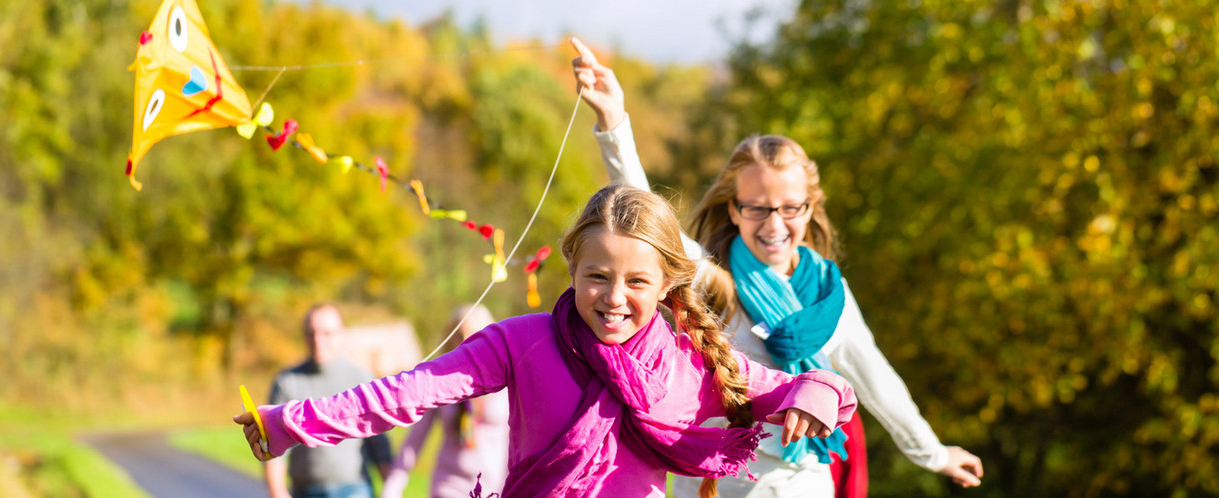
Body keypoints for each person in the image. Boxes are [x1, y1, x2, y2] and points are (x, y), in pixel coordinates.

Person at [236, 184, 858, 497]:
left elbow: (823, 383)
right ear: (571, 271)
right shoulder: (520, 342)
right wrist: (287, 423)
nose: (614, 296)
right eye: (597, 276)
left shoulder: (690, 362)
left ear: (668, 281)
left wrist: (816, 398)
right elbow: (407, 393)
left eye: (636, 281)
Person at [570, 38, 985, 497]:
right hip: (712, 481)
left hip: (802, 481)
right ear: (733, 210)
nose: (775, 224)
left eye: (790, 208)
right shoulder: (709, 278)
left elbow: (877, 379)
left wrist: (934, 454)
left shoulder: (830, 295)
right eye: (757, 208)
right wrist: (612, 122)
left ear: (810, 208)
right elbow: (642, 205)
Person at [380, 304, 511, 497]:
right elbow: (414, 441)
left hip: (493, 487)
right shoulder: (439, 382)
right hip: (447, 485)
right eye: (459, 334)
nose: (466, 341)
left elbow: (518, 443)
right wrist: (392, 488)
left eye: (474, 334)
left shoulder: (505, 385)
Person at [264, 303, 393, 498]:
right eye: (311, 333)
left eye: (327, 333)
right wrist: (278, 492)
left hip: (354, 489)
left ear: (342, 335)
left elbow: (379, 446)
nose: (318, 340)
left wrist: (392, 490)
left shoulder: (361, 380)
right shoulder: (287, 382)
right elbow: (272, 446)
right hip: (305, 491)